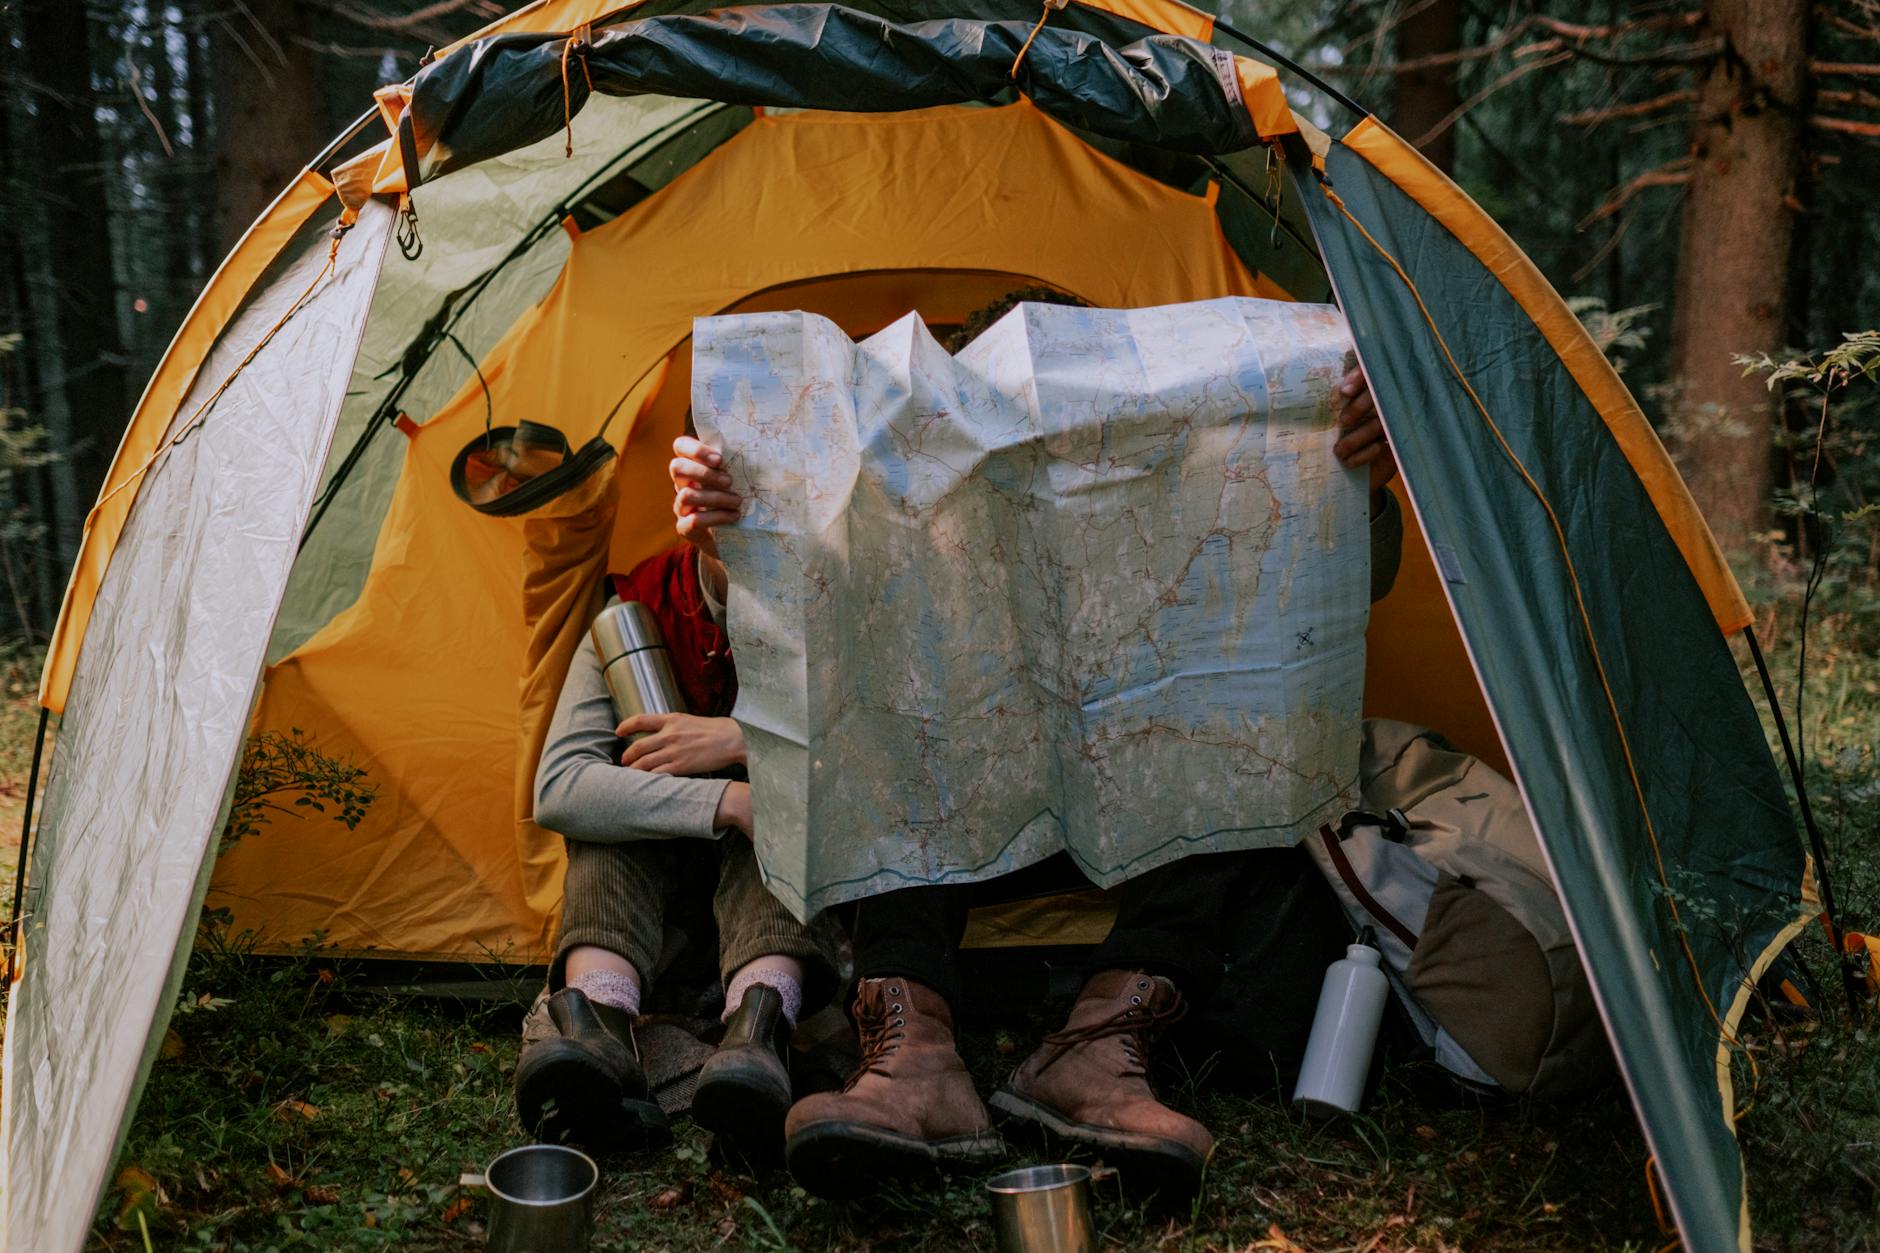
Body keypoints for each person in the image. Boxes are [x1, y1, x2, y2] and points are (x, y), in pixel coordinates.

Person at [669, 287, 1403, 1197]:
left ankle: (1098, 1048)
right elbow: (813, 606)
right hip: (961, 837)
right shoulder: (911, 494)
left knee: (1225, 740)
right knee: (891, 720)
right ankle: (914, 1057)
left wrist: (1353, 474)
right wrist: (731, 535)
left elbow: (1320, 596)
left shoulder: (1172, 475)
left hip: (1128, 840)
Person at [514, 540, 836, 1156]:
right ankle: (598, 1031)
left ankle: (758, 1038)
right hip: (655, 922)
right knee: (610, 818)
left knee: (777, 807)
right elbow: (560, 787)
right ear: (696, 520)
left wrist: (742, 742)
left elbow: (879, 765)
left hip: (781, 907)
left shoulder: (839, 599)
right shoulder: (641, 610)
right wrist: (721, 805)